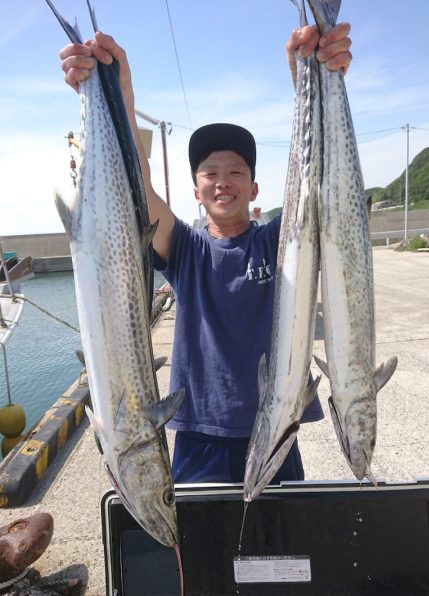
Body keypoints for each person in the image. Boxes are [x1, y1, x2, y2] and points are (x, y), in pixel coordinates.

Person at [60, 22, 352, 484]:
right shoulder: (186, 249)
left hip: (275, 427)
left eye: (236, 171)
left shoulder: (278, 241)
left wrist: (307, 77)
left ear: (254, 187)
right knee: (200, 553)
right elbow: (138, 185)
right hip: (197, 436)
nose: (223, 181)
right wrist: (122, 94)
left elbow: (317, 181)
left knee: (283, 555)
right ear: (197, 191)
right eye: (210, 173)